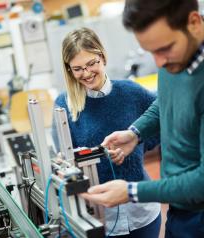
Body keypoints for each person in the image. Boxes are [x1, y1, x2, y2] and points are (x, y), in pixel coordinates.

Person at [81, 1, 204, 238]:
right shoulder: (176, 53)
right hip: (180, 210)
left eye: (163, 49)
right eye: (151, 51)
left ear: (193, 22)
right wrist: (135, 132)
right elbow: (166, 101)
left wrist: (132, 192)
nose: (159, 63)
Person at [53, 27, 161, 238]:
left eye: (91, 63)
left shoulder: (131, 92)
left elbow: (160, 122)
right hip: (99, 217)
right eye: (77, 69)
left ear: (102, 57)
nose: (86, 73)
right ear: (69, 70)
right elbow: (65, 158)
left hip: (142, 211)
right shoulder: (64, 105)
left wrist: (136, 145)